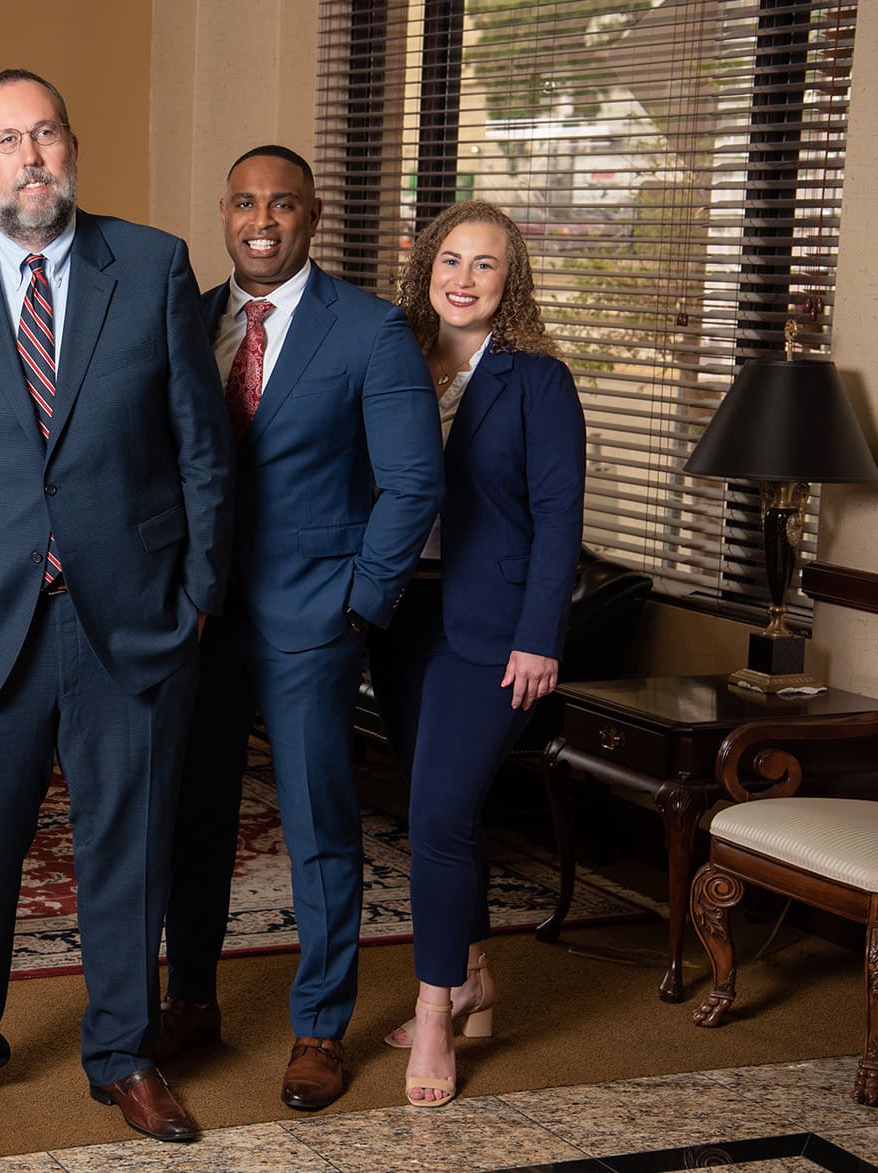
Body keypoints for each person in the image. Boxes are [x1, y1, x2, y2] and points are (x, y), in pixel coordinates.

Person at [0, 68, 232, 1143]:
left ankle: (121, 1052)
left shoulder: (154, 265)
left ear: (70, 147)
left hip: (128, 619)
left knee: (127, 848)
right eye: (4, 141)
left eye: (45, 136)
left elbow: (201, 451)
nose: (29, 158)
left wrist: (200, 594)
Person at [156, 145, 444, 1112]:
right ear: (224, 211)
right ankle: (191, 998)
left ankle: (320, 1027)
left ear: (312, 213)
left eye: (282, 202)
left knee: (320, 827)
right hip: (198, 617)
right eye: (244, 201)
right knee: (193, 819)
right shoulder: (188, 319)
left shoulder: (370, 329)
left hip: (313, 617)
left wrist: (360, 601)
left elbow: (413, 482)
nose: (262, 218)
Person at [372, 199, 585, 1107]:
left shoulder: (538, 379)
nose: (462, 277)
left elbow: (559, 518)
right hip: (400, 617)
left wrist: (541, 634)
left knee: (438, 815)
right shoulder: (394, 360)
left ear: (511, 281)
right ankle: (475, 977)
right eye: (449, 259)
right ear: (426, 267)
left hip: (492, 630)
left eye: (485, 264)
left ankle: (433, 1014)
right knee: (435, 813)